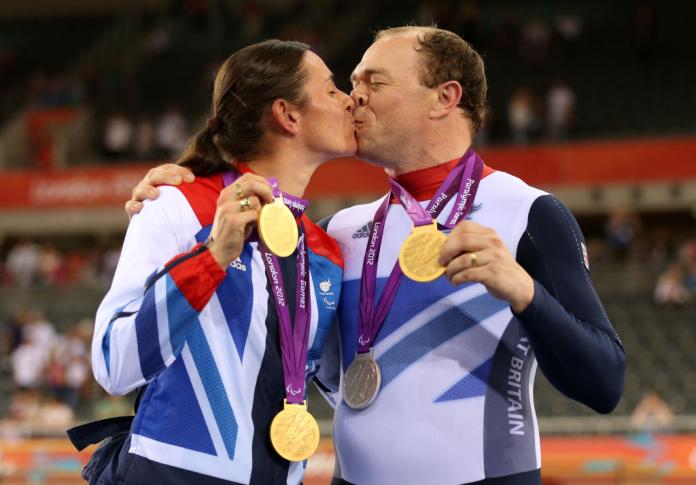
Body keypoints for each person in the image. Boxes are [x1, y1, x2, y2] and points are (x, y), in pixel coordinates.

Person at [126, 26, 625, 485]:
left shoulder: (528, 214)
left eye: (374, 82)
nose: (353, 96)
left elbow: (604, 384)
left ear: (444, 98)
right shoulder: (337, 233)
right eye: (350, 82)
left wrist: (524, 292)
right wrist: (177, 193)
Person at [83, 39, 355, 485]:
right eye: (331, 90)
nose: (349, 100)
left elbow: (338, 386)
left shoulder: (323, 250)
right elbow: (114, 364)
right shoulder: (178, 206)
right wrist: (211, 258)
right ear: (288, 114)